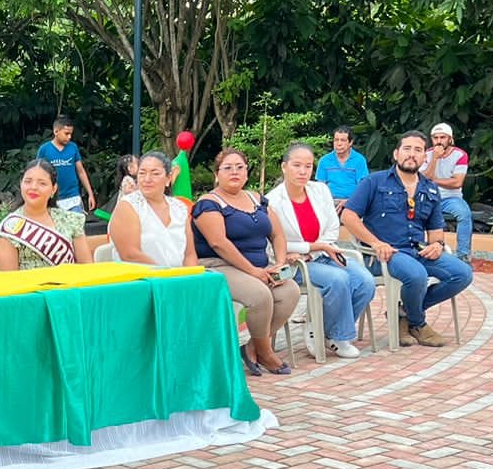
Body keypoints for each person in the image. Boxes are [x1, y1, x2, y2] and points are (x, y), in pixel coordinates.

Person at [340, 130, 473, 348]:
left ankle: (403, 313)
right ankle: (418, 323)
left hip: (417, 251)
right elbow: (349, 216)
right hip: (383, 254)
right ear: (396, 153)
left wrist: (437, 245)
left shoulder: (430, 188)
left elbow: (435, 228)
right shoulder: (374, 182)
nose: (412, 154)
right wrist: (375, 243)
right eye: (407, 149)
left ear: (424, 157)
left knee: (462, 274)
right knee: (417, 275)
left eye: (418, 150)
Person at [192, 149, 300, 376]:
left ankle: (253, 347)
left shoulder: (256, 199)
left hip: (258, 267)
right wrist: (253, 271)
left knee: (289, 290)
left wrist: (280, 263)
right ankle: (266, 352)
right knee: (259, 295)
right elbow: (218, 243)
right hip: (219, 265)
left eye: (239, 167)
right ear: (216, 174)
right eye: (227, 168)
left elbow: (277, 235)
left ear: (246, 172)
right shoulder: (208, 203)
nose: (235, 172)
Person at [266, 143, 376, 360]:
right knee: (338, 280)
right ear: (284, 167)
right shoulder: (272, 201)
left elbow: (333, 228)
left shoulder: (320, 190)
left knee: (365, 281)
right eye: (296, 165)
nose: (302, 171)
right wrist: (309, 249)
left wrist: (317, 249)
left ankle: (323, 329)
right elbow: (275, 242)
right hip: (294, 263)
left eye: (308, 166)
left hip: (324, 254)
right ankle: (340, 337)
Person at [0, 160, 92, 270]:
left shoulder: (70, 220)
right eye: (28, 181)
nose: (34, 187)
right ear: (21, 184)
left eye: (42, 183)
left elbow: (87, 268)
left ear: (53, 189)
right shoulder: (10, 228)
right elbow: (10, 278)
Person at [107, 151, 195, 269]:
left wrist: (191, 277)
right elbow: (130, 255)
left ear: (168, 178)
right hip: (141, 276)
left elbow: (189, 254)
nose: (147, 179)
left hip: (179, 277)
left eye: (155, 174)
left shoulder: (179, 208)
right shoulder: (128, 205)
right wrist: (167, 275)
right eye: (142, 173)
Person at [423, 122, 473, 261]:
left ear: (450, 139)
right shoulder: (426, 154)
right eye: (435, 138)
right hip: (429, 197)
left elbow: (457, 183)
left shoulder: (460, 155)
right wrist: (434, 158)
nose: (439, 141)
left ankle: (463, 256)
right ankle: (421, 251)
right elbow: (423, 179)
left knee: (464, 215)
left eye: (443, 137)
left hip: (451, 198)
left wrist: (433, 180)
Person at [36, 116, 96, 213]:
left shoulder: (73, 147)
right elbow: (37, 173)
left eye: (71, 134)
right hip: (52, 198)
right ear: (56, 131)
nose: (69, 137)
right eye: (66, 133)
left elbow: (81, 171)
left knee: (77, 222)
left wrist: (90, 194)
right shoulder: (44, 149)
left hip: (73, 198)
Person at [316, 127, 369, 201]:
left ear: (350, 142)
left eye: (343, 140)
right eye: (336, 140)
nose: (339, 144)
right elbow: (320, 187)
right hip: (329, 202)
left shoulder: (359, 160)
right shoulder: (324, 160)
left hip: (352, 202)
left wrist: (348, 201)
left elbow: (363, 187)